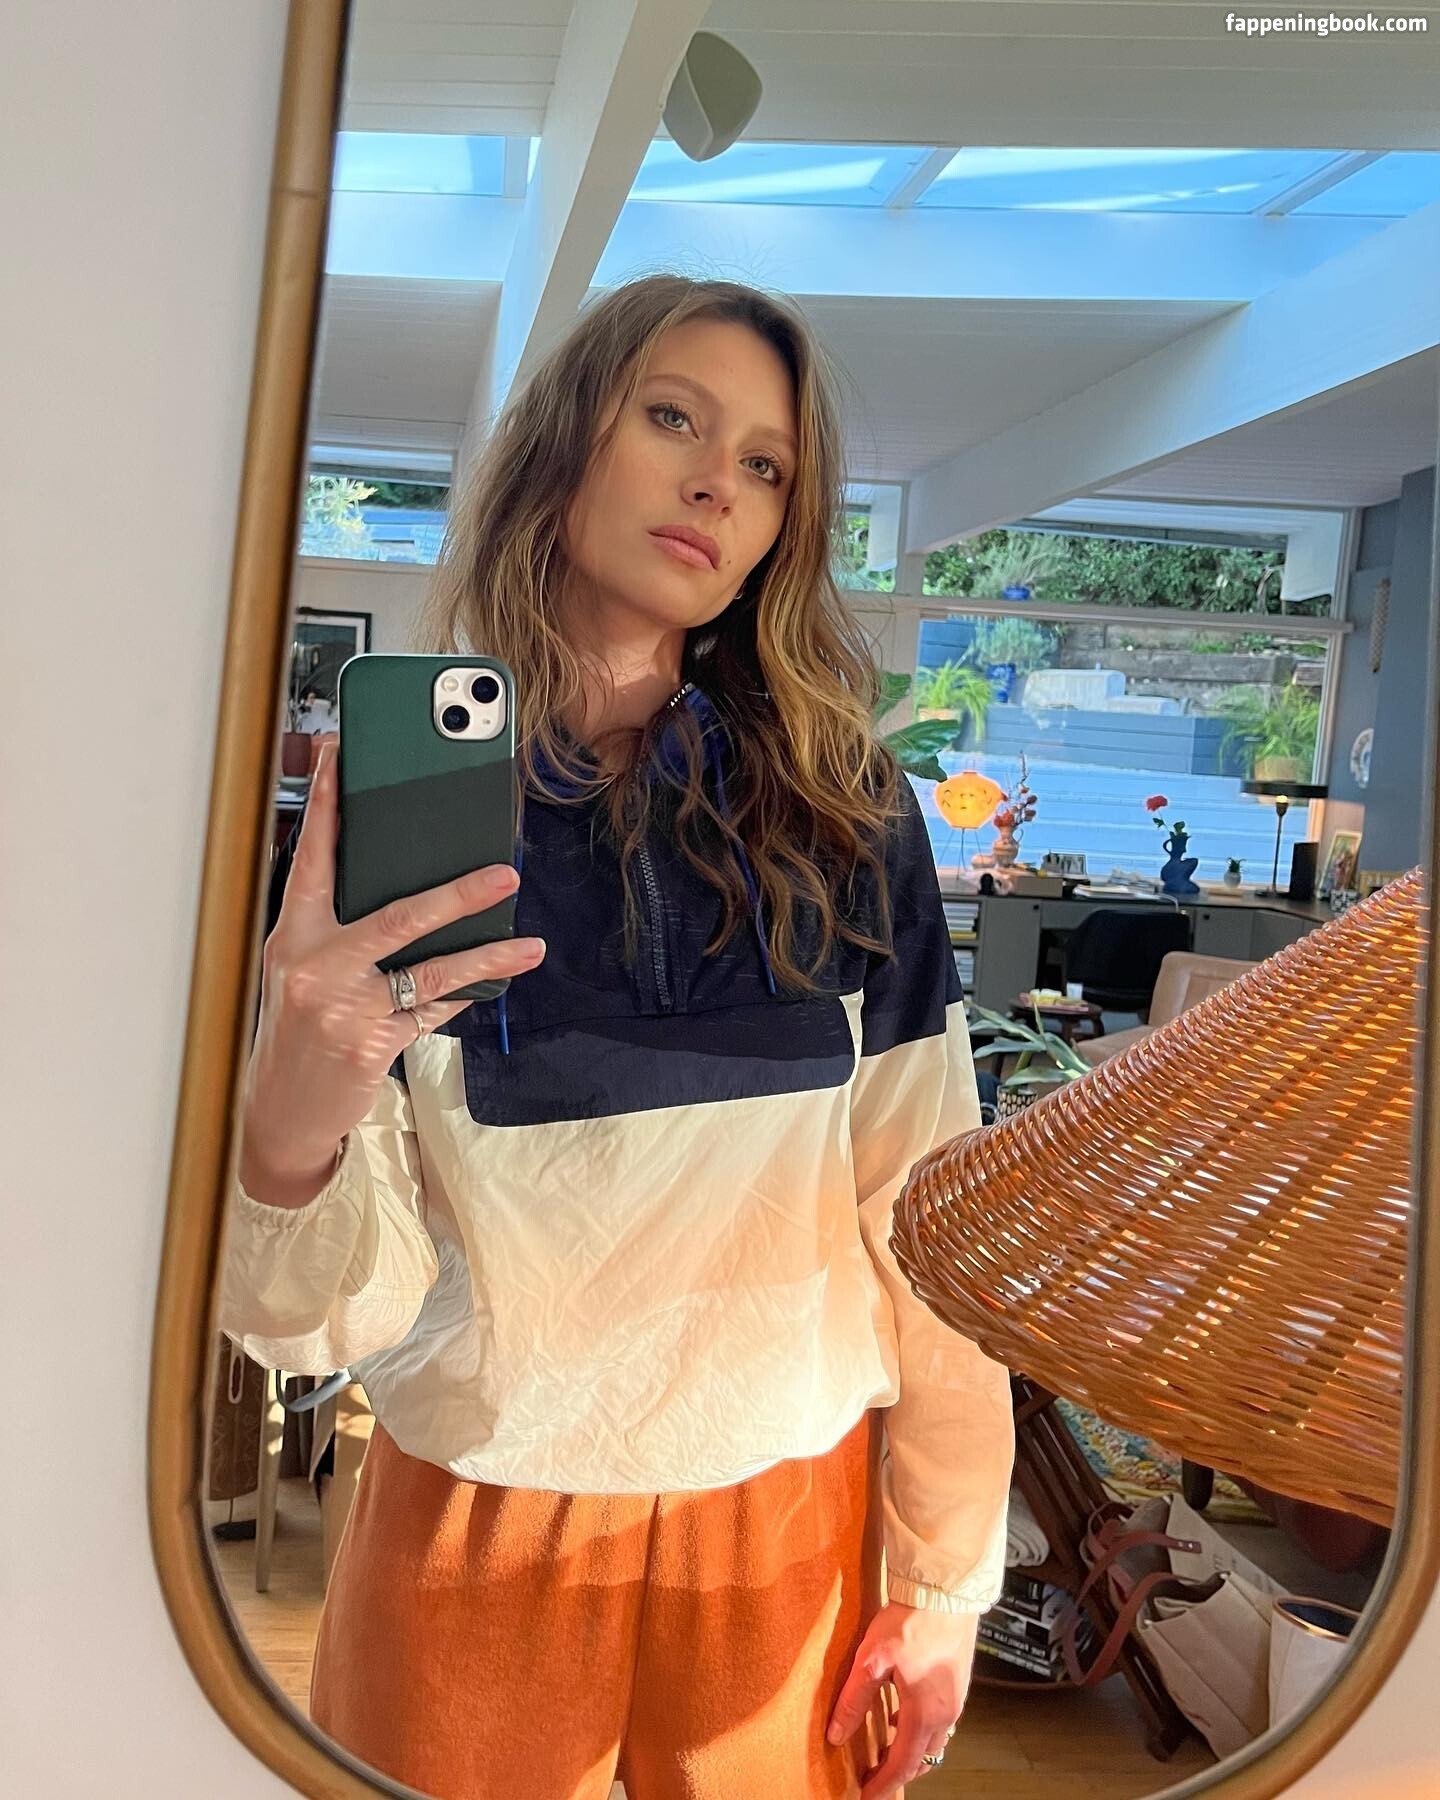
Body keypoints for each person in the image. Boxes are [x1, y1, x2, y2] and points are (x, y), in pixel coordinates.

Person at [222, 274, 1014, 1800]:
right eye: (673, 418)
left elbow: (925, 1214)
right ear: (567, 440)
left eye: (767, 466)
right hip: (472, 1521)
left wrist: (943, 1577)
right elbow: (318, 1321)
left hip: (785, 1522)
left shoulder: (846, 813)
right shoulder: (400, 815)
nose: (719, 482)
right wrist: (298, 1098)